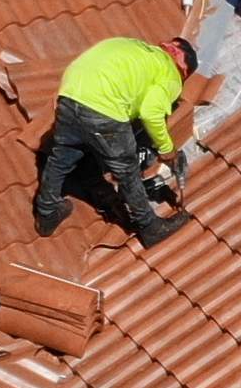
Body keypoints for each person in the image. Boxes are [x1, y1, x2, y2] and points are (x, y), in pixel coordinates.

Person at [32, 34, 197, 244]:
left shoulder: (132, 47)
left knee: (61, 157)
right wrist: (167, 149)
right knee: (127, 171)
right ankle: (149, 227)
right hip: (103, 110)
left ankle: (46, 214)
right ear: (184, 69)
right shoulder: (171, 73)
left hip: (69, 95)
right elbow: (151, 112)